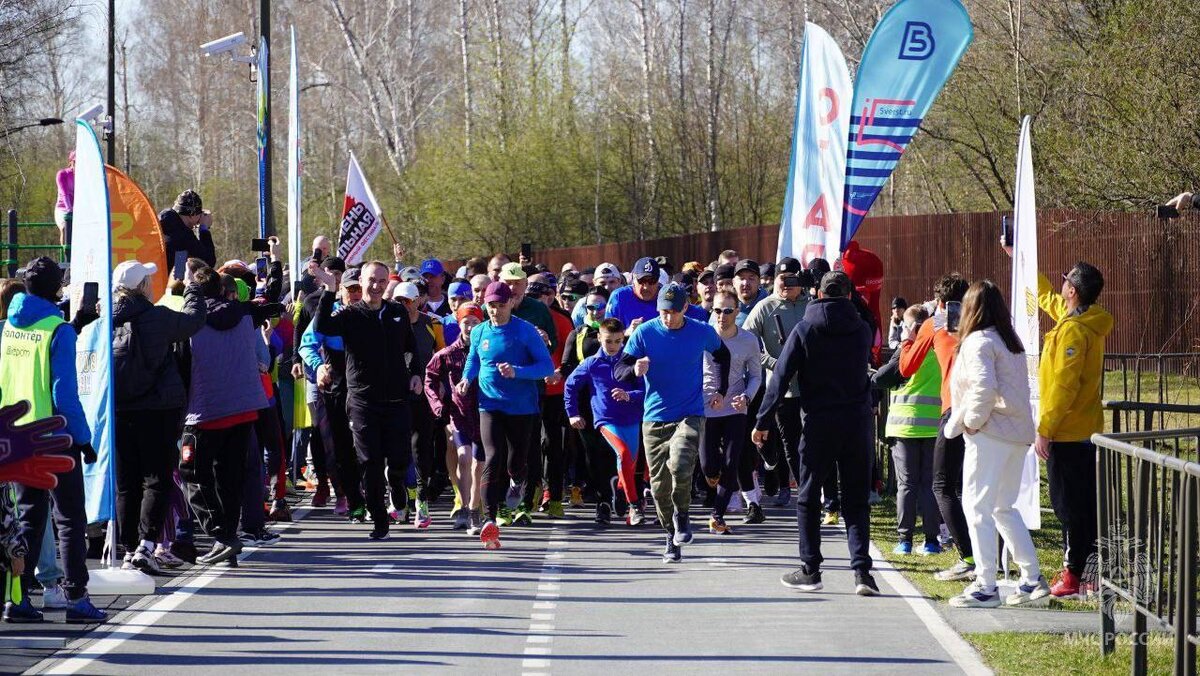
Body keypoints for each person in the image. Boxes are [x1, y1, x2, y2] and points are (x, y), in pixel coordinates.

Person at [752, 271, 880, 596]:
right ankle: (862, 572)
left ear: (818, 294)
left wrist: (763, 421)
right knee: (855, 500)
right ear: (849, 295)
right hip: (857, 421)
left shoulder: (805, 329)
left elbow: (780, 377)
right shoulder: (862, 330)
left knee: (809, 496)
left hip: (819, 421)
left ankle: (811, 569)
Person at [0, 258, 106, 623]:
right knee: (70, 517)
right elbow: (64, 392)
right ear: (56, 288)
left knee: (28, 519)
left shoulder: (9, 326)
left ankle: (18, 598)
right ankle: (76, 596)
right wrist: (84, 438)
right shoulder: (57, 331)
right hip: (53, 436)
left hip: (17, 433)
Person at [944, 280, 1050, 608]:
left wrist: (970, 423)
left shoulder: (978, 342)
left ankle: (986, 584)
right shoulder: (1009, 340)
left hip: (991, 432)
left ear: (971, 309)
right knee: (1003, 507)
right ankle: (1032, 579)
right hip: (1017, 433)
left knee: (977, 507)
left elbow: (983, 389)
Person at [614, 282, 730, 563]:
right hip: (654, 417)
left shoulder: (700, 331)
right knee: (659, 486)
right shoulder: (644, 332)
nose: (668, 317)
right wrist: (634, 369)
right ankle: (670, 535)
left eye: (674, 312)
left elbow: (723, 355)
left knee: (680, 463)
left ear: (685, 308)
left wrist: (721, 390)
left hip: (689, 412)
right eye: (664, 312)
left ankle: (683, 514)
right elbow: (619, 370)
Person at [312, 261, 425, 541]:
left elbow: (410, 349)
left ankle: (396, 482)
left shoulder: (397, 312)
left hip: (397, 398)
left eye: (381, 281)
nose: (376, 286)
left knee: (399, 458)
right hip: (363, 401)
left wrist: (415, 374)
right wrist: (329, 289)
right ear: (361, 282)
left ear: (388, 283)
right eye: (371, 280)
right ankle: (378, 519)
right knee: (369, 461)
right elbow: (322, 325)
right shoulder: (349, 315)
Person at [111, 260, 207, 575]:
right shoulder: (157, 317)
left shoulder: (105, 321)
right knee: (157, 479)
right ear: (141, 287)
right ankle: (146, 545)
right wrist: (193, 286)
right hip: (158, 408)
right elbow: (194, 320)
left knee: (126, 483)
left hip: (121, 408)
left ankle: (127, 549)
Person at [180, 266, 268, 567]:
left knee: (192, 474)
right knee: (229, 478)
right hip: (243, 407)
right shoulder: (244, 315)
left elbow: (182, 366)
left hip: (205, 410)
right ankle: (227, 540)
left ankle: (221, 534)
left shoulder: (192, 323)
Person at [1033, 260, 1112, 598]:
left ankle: (1073, 575)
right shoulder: (1083, 320)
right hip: (1083, 430)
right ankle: (1091, 573)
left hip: (1067, 432)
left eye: (1064, 281)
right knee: (1086, 507)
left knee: (1069, 508)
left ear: (1073, 291)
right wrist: (1020, 259)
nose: (1060, 285)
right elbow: (1047, 298)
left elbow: (1065, 385)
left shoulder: (1074, 331)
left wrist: (1046, 428)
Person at [458, 282, 554, 550]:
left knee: (516, 461)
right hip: (489, 404)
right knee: (492, 456)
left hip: (522, 407)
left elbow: (545, 366)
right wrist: (467, 379)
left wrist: (517, 371)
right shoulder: (478, 332)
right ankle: (489, 519)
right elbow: (474, 360)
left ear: (511, 303)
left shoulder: (525, 331)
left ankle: (517, 481)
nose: (495, 311)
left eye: (501, 305)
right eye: (491, 306)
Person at [899, 274, 976, 583]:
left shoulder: (935, 324)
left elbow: (905, 366)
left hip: (952, 410)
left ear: (941, 302)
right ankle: (987, 555)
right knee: (973, 488)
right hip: (987, 412)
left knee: (943, 485)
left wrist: (908, 333)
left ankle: (968, 556)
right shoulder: (981, 323)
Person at [298, 266, 365, 522]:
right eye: (351, 290)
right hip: (337, 390)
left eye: (359, 288)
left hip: (366, 391)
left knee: (367, 445)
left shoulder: (375, 314)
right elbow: (306, 345)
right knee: (339, 446)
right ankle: (346, 494)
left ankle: (367, 493)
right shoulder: (331, 317)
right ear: (343, 292)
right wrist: (319, 366)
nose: (357, 294)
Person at [872, 305, 941, 556]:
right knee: (930, 484)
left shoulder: (907, 351)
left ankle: (905, 541)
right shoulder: (940, 348)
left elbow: (881, 378)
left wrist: (904, 343)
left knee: (907, 485)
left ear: (910, 327)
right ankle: (932, 541)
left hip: (904, 427)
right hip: (934, 425)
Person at [565, 317, 647, 526]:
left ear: (623, 340)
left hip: (631, 418)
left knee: (629, 464)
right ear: (600, 338)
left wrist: (629, 396)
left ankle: (619, 491)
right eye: (608, 341)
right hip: (606, 420)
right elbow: (570, 386)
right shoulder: (592, 363)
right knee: (623, 453)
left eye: (618, 341)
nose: (613, 346)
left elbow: (644, 390)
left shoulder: (630, 360)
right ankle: (634, 505)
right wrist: (573, 413)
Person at [741, 258, 809, 508]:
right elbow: (746, 342)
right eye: (782, 279)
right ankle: (797, 488)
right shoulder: (765, 307)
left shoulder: (811, 306)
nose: (786, 284)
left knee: (810, 441)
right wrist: (772, 362)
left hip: (810, 387)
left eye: (792, 279)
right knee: (788, 443)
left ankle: (812, 487)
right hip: (781, 390)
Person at [701, 290, 762, 535]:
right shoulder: (702, 336)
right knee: (708, 466)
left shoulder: (748, 340)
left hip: (736, 407)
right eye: (717, 310)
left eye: (728, 311)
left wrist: (746, 396)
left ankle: (717, 515)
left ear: (737, 312)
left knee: (731, 461)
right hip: (706, 408)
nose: (722, 316)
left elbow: (756, 375)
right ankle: (712, 479)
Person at [426, 303, 485, 532]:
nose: (470, 327)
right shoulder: (448, 354)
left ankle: (474, 507)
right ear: (458, 323)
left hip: (484, 413)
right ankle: (463, 506)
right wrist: (438, 405)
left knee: (479, 464)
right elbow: (429, 378)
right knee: (463, 457)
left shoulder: (487, 350)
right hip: (459, 414)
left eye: (475, 322)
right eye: (466, 322)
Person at [393, 281, 445, 528]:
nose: (403, 306)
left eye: (407, 301)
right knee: (395, 450)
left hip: (423, 395)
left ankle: (421, 503)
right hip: (394, 395)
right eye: (398, 301)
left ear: (418, 301)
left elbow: (442, 355)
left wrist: (441, 384)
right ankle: (400, 501)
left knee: (421, 449)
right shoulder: (386, 322)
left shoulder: (431, 324)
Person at [158, 189, 217, 268]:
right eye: (199, 214)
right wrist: (204, 229)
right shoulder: (182, 235)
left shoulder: (160, 222)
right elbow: (208, 262)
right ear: (191, 215)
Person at [54, 152, 74, 245]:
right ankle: (66, 254)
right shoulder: (62, 174)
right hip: (63, 209)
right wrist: (70, 210)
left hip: (78, 209)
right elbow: (64, 193)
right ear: (71, 162)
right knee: (66, 227)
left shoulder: (85, 176)